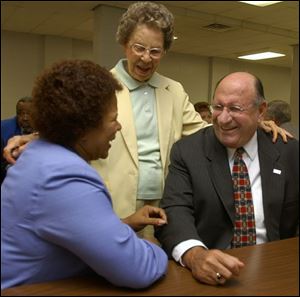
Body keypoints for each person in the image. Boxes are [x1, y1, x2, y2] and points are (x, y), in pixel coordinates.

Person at [2, 2, 289, 240]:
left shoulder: (173, 90)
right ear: (124, 44)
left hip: (163, 207)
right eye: (139, 48)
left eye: (155, 51)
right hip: (112, 204)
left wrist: (255, 124)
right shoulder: (102, 85)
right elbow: (71, 126)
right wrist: (37, 137)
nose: (146, 58)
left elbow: (209, 130)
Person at [1, 59, 169, 290]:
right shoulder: (65, 177)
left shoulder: (38, 155)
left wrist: (123, 225)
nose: (118, 127)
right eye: (112, 119)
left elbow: (63, 231)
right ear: (82, 127)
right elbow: (138, 268)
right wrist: (154, 248)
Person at [155, 72, 299, 286]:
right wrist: (195, 255)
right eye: (218, 107)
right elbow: (175, 212)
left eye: (234, 109)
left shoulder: (288, 152)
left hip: (277, 270)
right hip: (209, 277)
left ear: (261, 111)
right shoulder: (188, 152)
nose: (223, 118)